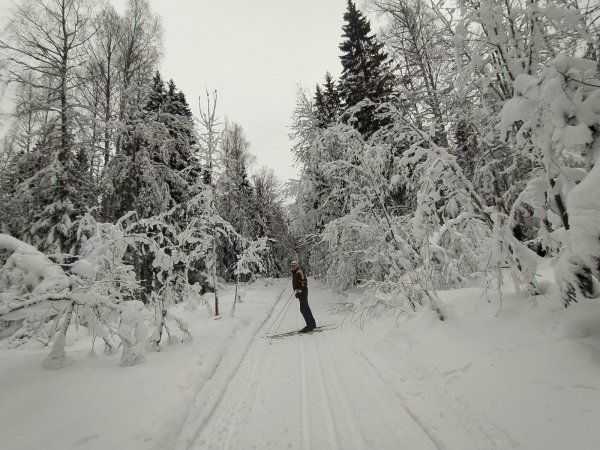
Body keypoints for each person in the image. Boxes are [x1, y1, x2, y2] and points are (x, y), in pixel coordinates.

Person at [290, 260, 316, 332]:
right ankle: (312, 324)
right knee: (306, 308)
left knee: (303, 309)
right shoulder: (295, 272)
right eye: (291, 265)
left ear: (297, 266)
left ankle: (309, 326)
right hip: (300, 292)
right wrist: (296, 290)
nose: (292, 267)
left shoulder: (299, 272)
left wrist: (299, 291)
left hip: (303, 292)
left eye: (294, 265)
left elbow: (304, 282)